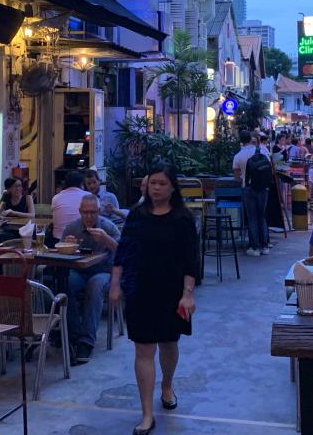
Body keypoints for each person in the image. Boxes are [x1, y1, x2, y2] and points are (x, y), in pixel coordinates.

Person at [110, 164, 198, 435]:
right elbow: (123, 251)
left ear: (172, 187)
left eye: (161, 183)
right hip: (140, 289)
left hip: (171, 291)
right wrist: (115, 283)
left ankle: (167, 384)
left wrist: (187, 293)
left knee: (169, 344)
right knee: (143, 349)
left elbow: (190, 260)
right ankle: (147, 413)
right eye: (152, 183)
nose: (156, 188)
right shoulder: (137, 215)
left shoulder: (182, 218)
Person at [62, 194, 120, 364]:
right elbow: (60, 251)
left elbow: (124, 252)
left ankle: (86, 341)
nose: (88, 216)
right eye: (85, 212)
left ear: (99, 211)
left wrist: (106, 239)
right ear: (80, 211)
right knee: (65, 282)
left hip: (104, 271)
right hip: (79, 271)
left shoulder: (108, 227)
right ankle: (72, 334)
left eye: (93, 212)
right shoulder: (72, 227)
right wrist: (67, 245)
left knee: (95, 286)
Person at [233, 131, 271, 256]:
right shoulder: (263, 151)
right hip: (263, 188)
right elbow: (270, 167)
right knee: (262, 216)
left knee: (252, 217)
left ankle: (254, 248)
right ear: (250, 139)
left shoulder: (238, 156)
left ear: (240, 141)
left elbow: (237, 177)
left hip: (248, 188)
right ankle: (265, 246)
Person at [51, 170, 88, 240]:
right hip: (82, 240)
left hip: (58, 240)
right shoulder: (89, 197)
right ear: (81, 184)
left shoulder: (56, 198)